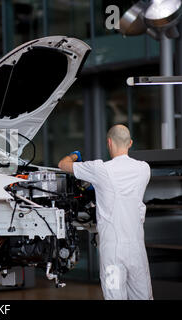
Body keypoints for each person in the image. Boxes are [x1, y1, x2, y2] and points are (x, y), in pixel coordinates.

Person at [58, 124, 153, 300]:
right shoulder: (144, 169)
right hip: (137, 249)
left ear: (109, 142)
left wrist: (74, 155)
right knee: (143, 297)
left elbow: (63, 165)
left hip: (113, 253)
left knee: (114, 296)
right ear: (130, 143)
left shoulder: (101, 169)